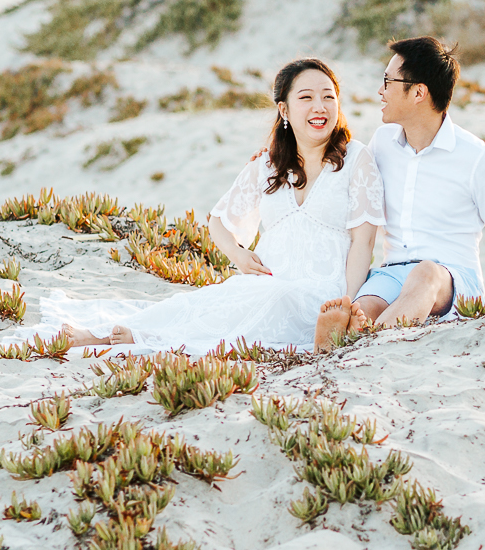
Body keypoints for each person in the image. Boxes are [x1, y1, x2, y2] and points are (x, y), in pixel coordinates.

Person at [34, 57, 383, 353]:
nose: (320, 106)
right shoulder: (268, 164)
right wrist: (240, 256)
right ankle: (105, 335)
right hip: (266, 283)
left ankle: (143, 341)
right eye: (306, 97)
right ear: (285, 109)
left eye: (329, 97)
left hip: (322, 295)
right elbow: (219, 221)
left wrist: (348, 301)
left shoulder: (356, 158)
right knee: (204, 302)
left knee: (272, 302)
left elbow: (364, 241)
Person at [315, 36, 485, 345]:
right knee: (360, 309)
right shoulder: (382, 143)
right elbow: (340, 178)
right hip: (391, 272)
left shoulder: (478, 158)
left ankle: (369, 344)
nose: (380, 91)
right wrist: (273, 159)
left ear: (418, 92)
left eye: (388, 81)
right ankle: (346, 338)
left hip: (450, 279)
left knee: (425, 274)